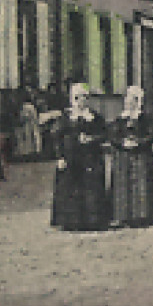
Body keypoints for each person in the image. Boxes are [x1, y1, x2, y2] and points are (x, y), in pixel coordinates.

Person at [50, 83, 111, 231]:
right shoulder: (65, 118)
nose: (80, 101)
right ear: (72, 99)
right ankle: (71, 221)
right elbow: (56, 137)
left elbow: (105, 134)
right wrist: (60, 157)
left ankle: (92, 220)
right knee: (71, 188)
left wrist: (92, 139)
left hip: (91, 158)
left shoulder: (95, 117)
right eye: (77, 98)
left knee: (91, 188)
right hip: (71, 159)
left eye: (84, 97)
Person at [109, 85, 153, 228]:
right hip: (123, 156)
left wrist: (138, 143)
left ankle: (144, 215)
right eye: (127, 98)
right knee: (123, 185)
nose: (129, 102)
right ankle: (123, 216)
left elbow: (152, 135)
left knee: (142, 184)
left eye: (133, 99)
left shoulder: (145, 118)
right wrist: (122, 142)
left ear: (138, 101)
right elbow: (113, 135)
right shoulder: (120, 119)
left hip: (142, 155)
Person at [15, 84, 43, 160]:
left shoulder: (27, 106)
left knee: (29, 136)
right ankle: (30, 152)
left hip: (29, 124)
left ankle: (28, 152)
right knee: (29, 136)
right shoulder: (28, 106)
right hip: (29, 124)